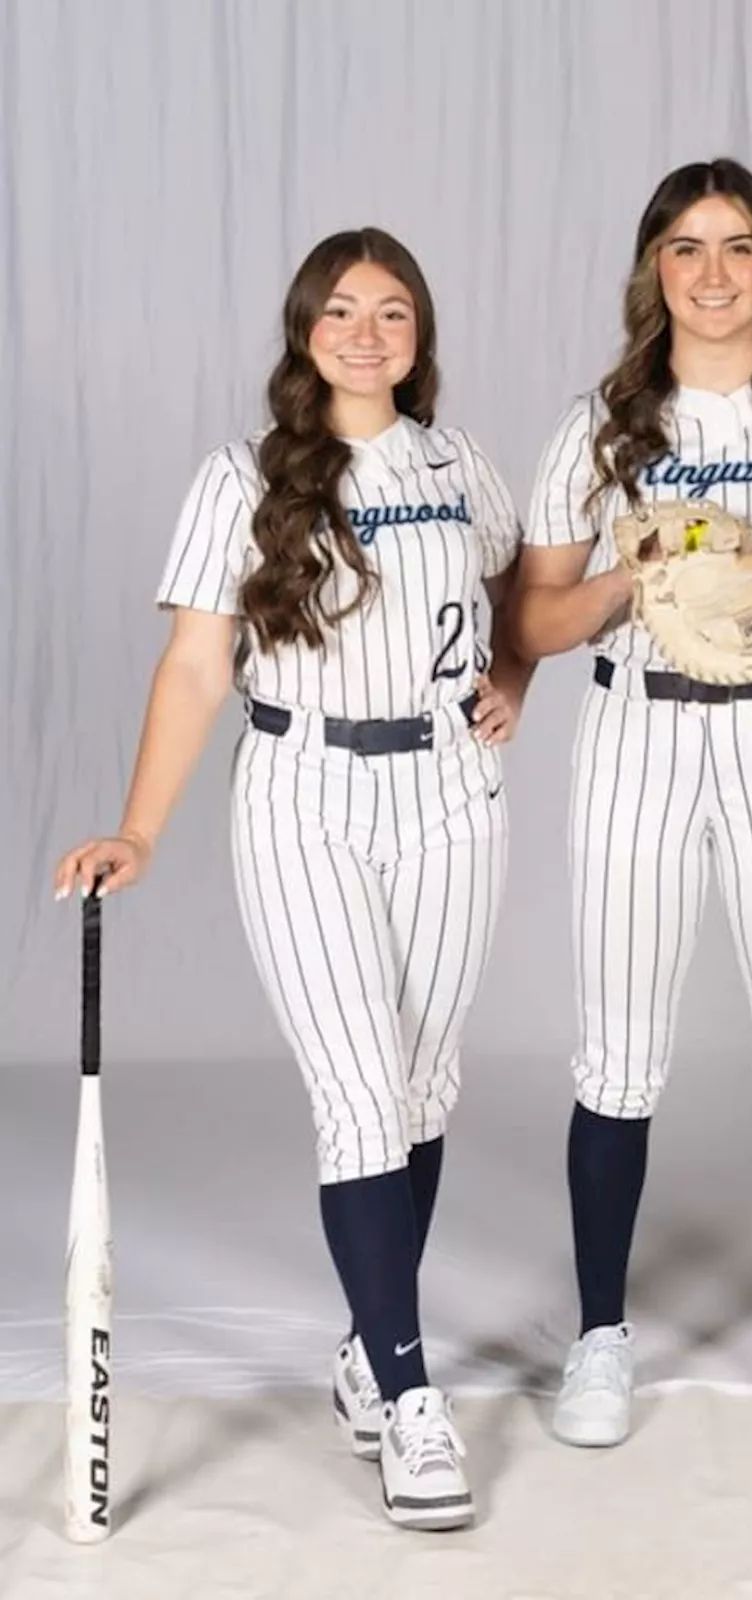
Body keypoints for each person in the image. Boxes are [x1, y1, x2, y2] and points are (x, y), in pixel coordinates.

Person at [53, 227, 531, 1530]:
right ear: (302, 328)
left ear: (420, 332)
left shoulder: (458, 462)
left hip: (447, 792)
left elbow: (518, 591)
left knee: (423, 1084)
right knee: (362, 1095)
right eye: (339, 310)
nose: (364, 333)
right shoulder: (244, 474)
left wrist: (516, 682)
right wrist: (140, 829)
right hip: (304, 795)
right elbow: (198, 666)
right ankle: (410, 1392)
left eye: (391, 312)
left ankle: (365, 1352)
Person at [513, 158, 752, 1449]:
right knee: (618, 1054)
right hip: (639, 730)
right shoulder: (602, 426)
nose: (716, 272)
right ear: (655, 271)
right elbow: (539, 619)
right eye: (688, 247)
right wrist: (649, 568)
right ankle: (602, 1339)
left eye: (739, 246)